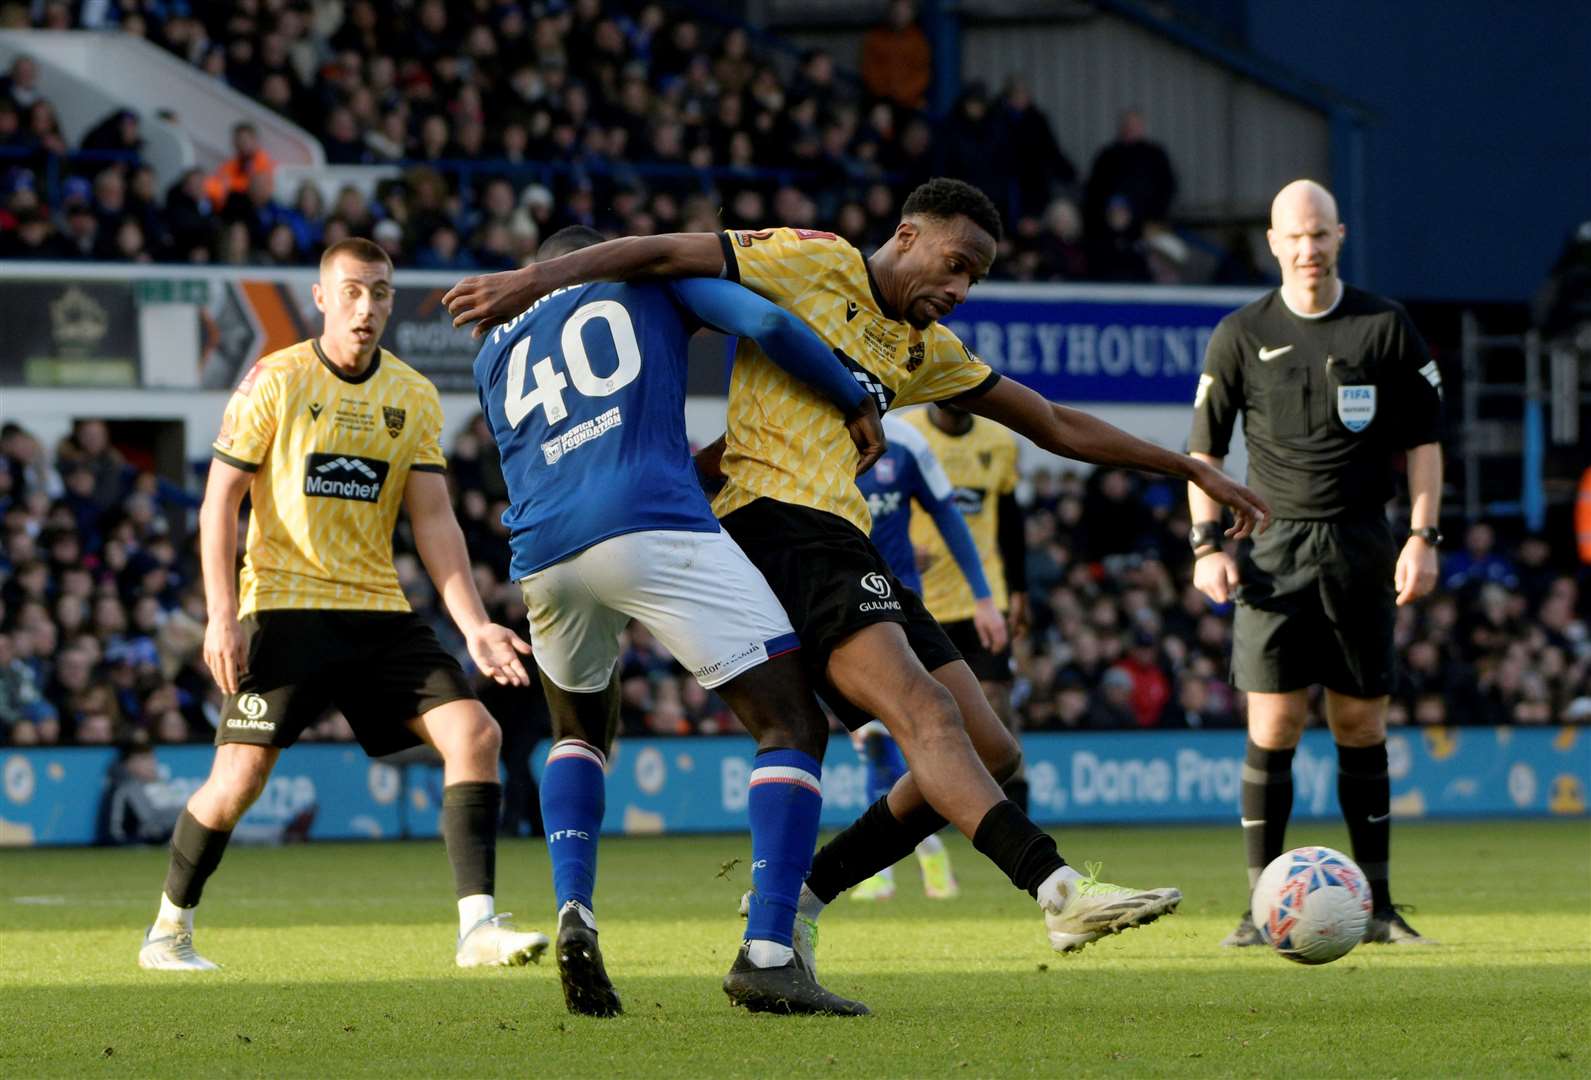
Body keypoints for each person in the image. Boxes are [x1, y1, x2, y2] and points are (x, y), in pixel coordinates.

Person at [445, 178, 1268, 965]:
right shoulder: (813, 259)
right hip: (776, 525)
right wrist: (536, 280)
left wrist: (1188, 468)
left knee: (993, 747)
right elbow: (661, 252)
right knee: (925, 712)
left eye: (976, 278)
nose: (961, 288)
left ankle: (807, 891)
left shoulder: (925, 350)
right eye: (955, 264)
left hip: (847, 539)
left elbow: (1052, 422)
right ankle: (1055, 889)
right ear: (906, 236)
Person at [473, 226, 879, 1017]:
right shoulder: (645, 280)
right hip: (649, 519)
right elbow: (763, 323)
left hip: (545, 552)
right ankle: (768, 951)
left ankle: (574, 908)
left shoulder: (497, 346)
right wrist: (850, 395)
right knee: (791, 723)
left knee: (580, 733)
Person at [137, 239, 549, 972]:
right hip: (283, 608)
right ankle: (168, 930)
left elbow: (432, 519)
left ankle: (477, 927)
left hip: (376, 613)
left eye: (381, 293)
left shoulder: (413, 394)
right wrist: (221, 614)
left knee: (476, 734)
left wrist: (475, 624)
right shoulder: (276, 378)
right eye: (353, 292)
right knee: (236, 784)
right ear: (322, 297)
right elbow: (218, 502)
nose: (368, 308)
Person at [1186, 179, 1444, 947]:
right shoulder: (1240, 332)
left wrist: (1421, 537)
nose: (1307, 250)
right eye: (1294, 237)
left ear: (1339, 237)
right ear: (1272, 242)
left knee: (1360, 724)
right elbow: (1203, 451)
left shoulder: (1384, 325)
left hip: (1362, 540)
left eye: (1320, 235)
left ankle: (1381, 909)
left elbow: (1424, 445)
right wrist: (1204, 546)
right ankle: (1258, 910)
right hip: (1269, 547)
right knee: (1273, 723)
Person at [848, 410, 1008, 902]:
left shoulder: (908, 443)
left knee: (903, 737)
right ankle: (913, 851)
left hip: (899, 610)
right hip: (840, 612)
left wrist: (983, 598)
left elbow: (947, 514)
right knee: (873, 743)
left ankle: (897, 857)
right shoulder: (812, 435)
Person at [905, 402, 1030, 807]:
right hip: (920, 601)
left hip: (983, 602)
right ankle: (936, 807)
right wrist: (898, 550)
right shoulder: (906, 435)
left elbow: (1010, 521)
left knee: (995, 701)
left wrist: (1019, 591)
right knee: (927, 713)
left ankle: (1016, 806)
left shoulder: (998, 441)